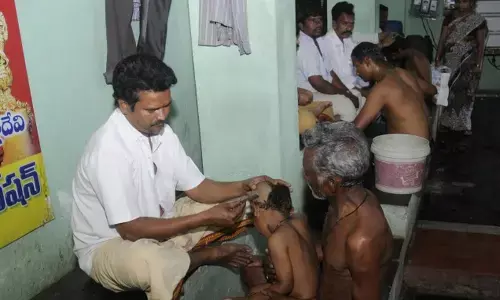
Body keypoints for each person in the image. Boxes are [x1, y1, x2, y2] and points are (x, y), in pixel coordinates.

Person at [71, 54, 289, 300]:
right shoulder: (107, 151)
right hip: (112, 247)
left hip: (162, 222)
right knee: (153, 263)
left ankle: (278, 267)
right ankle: (206, 256)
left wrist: (245, 185)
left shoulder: (160, 132)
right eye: (152, 109)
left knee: (256, 200)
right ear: (124, 105)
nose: (163, 115)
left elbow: (198, 187)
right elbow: (130, 230)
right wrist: (202, 219)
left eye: (166, 105)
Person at [302, 121, 393, 300]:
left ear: (330, 184)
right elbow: (334, 254)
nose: (305, 177)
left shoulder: (361, 241)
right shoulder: (347, 200)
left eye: (308, 172)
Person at [225, 183, 319, 300]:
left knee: (254, 295)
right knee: (255, 291)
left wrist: (262, 294)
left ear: (257, 211)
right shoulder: (298, 221)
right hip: (316, 293)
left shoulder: (276, 239)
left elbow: (285, 286)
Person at [351, 42, 431, 139]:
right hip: (424, 145)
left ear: (367, 61)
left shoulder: (382, 88)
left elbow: (356, 128)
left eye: (356, 66)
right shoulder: (403, 73)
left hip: (407, 150)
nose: (356, 72)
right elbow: (425, 111)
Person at [296, 4, 361, 122]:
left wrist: (347, 92)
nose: (319, 24)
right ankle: (333, 137)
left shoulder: (319, 41)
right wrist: (344, 95)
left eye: (320, 19)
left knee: (358, 98)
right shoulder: (303, 45)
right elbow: (317, 82)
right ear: (301, 24)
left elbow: (332, 74)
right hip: (310, 94)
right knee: (347, 108)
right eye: (313, 20)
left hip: (322, 90)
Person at [435, 0, 487, 134]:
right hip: (450, 60)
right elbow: (442, 39)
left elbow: (481, 45)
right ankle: (446, 122)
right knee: (448, 91)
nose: (462, 5)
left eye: (465, 2)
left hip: (468, 62)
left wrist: (478, 65)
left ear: (472, 3)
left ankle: (463, 125)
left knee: (465, 93)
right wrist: (437, 58)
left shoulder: (478, 20)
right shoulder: (449, 18)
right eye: (460, 2)